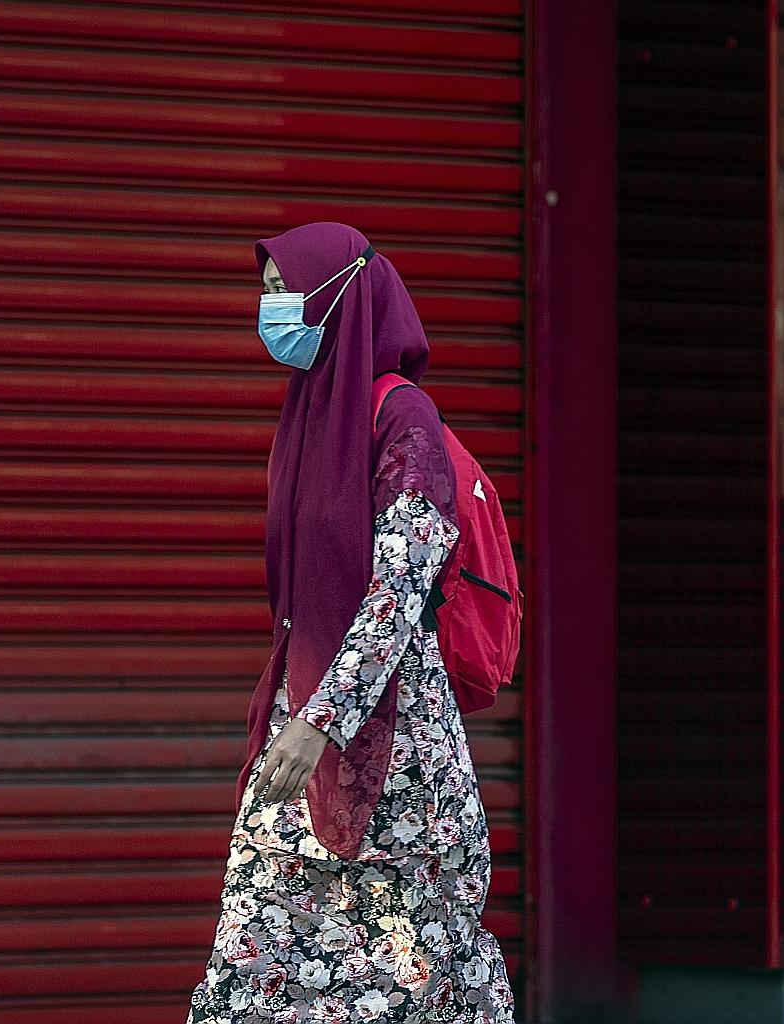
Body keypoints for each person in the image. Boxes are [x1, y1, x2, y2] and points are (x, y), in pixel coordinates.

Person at [187, 222, 517, 1024]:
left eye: (284, 290)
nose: (270, 309)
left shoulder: (405, 422)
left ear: (340, 296)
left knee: (404, 979)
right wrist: (299, 722)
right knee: (257, 964)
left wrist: (320, 724)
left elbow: (398, 589)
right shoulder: (310, 417)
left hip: (394, 754)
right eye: (266, 291)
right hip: (303, 732)